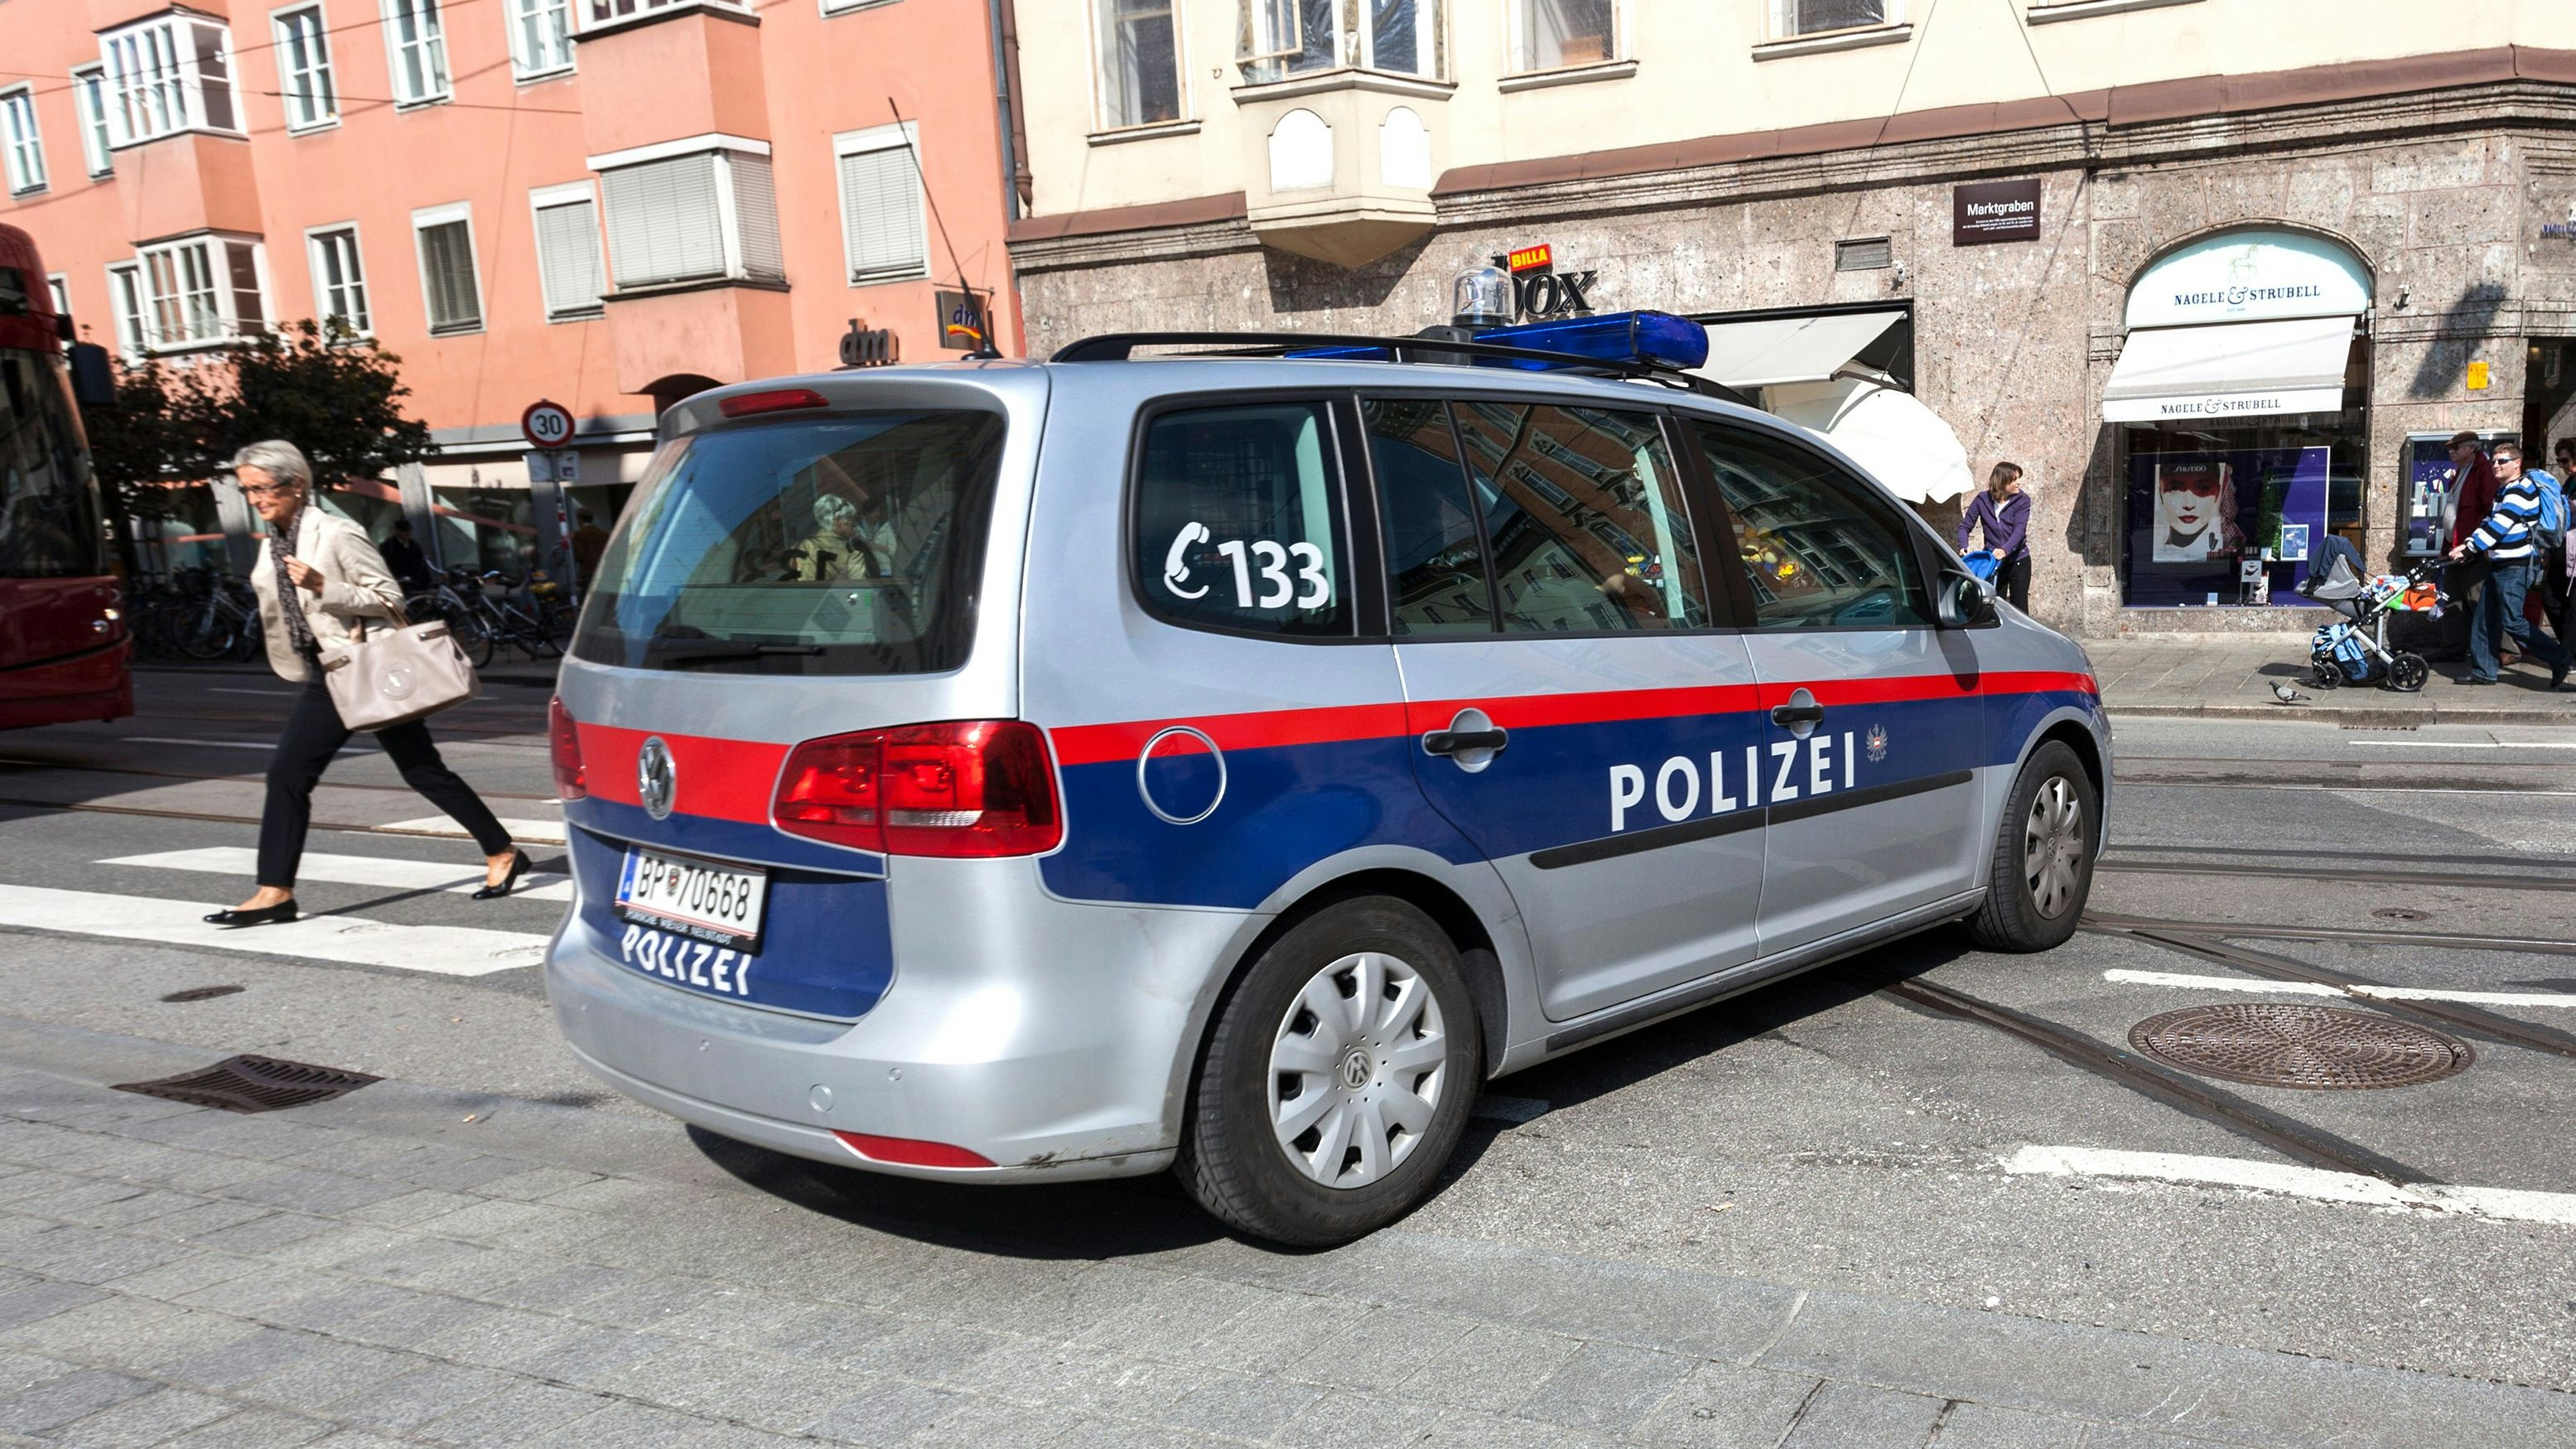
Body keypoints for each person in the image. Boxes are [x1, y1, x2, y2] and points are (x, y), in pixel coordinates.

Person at [204, 441, 528, 928]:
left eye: (262, 488)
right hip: (326, 673)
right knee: (288, 774)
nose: (253, 498)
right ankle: (275, 892)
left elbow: (388, 596)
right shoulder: (276, 539)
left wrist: (322, 587)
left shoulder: (336, 532)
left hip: (364, 667)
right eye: (246, 489)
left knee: (422, 771)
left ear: (295, 484)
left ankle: (502, 852)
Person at [2447, 437, 2571, 688]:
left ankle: (2560, 658)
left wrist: (2470, 547)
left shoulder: (2520, 489)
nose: (2495, 465)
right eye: (2493, 461)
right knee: (2484, 619)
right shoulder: (2504, 490)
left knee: (2512, 620)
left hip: (2517, 565)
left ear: (2517, 463)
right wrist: (2468, 544)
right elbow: (2489, 521)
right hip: (2499, 563)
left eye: (2502, 461)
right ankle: (2484, 672)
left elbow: (2500, 526)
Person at [1956, 461, 2033, 609]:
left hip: (2018, 560)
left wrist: (2005, 549)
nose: (2019, 483)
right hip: (1994, 563)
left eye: (2019, 478)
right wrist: (1963, 545)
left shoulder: (2023, 501)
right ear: (2002, 482)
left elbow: (2019, 530)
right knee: (1993, 607)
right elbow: (1965, 526)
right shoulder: (1982, 500)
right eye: (2014, 480)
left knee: (2020, 609)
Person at [379, 518, 433, 596]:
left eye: (409, 531)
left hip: (416, 583)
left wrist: (427, 583)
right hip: (400, 585)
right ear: (398, 531)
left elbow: (422, 565)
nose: (408, 533)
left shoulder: (414, 545)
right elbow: (386, 566)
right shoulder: (388, 546)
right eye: (404, 531)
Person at [569, 510, 610, 585]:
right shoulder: (604, 534)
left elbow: (578, 556)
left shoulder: (578, 534)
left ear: (580, 519)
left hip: (588, 572)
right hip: (604, 571)